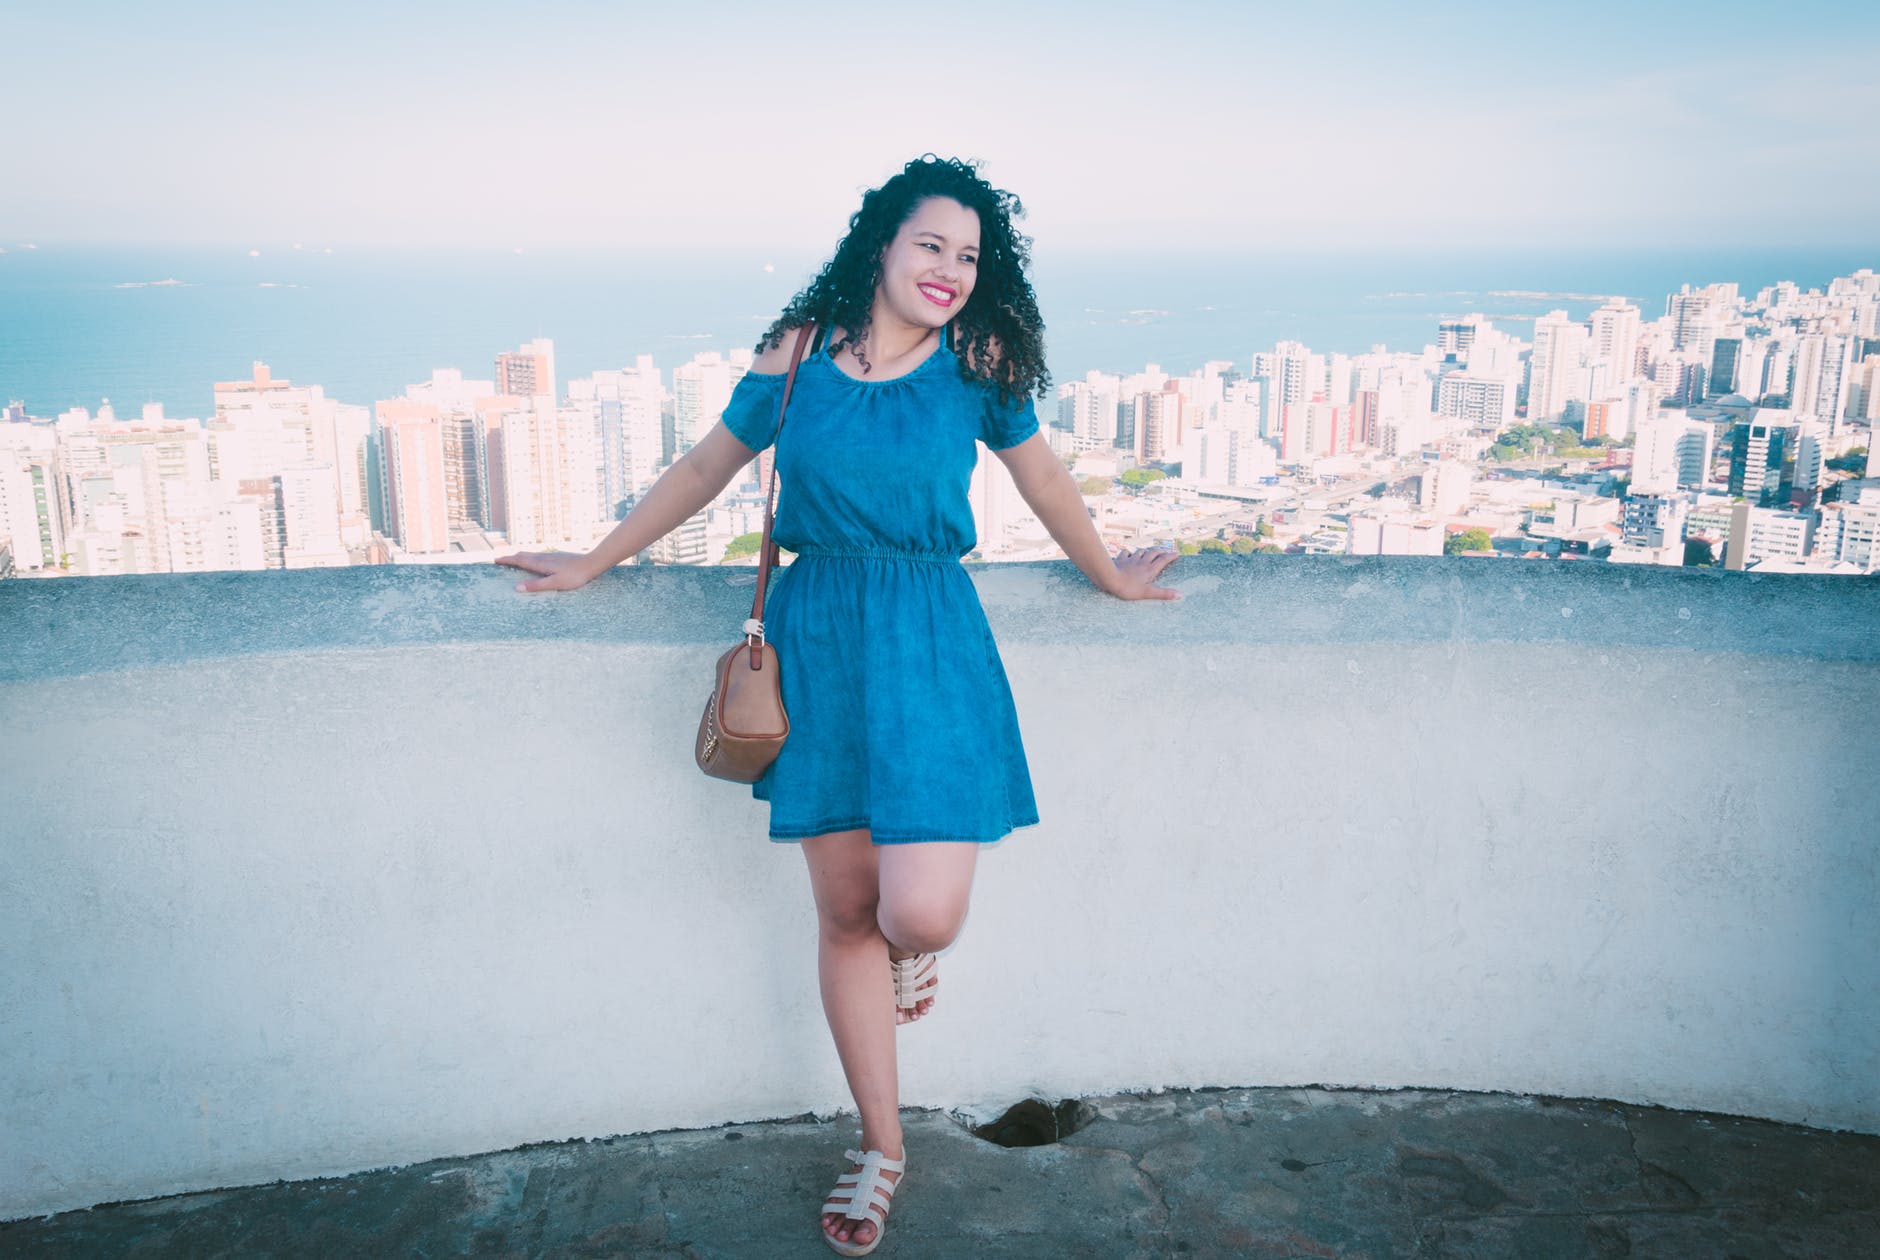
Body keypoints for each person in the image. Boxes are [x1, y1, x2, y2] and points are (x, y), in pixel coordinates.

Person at [497, 155, 1178, 1256]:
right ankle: (880, 1146)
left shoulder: (977, 358)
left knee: (922, 912)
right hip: (816, 636)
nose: (950, 269)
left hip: (929, 637)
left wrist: (1104, 572)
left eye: (969, 254)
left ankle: (918, 958)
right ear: (880, 245)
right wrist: (593, 560)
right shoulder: (800, 353)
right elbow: (705, 467)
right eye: (930, 245)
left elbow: (1041, 479)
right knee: (847, 913)